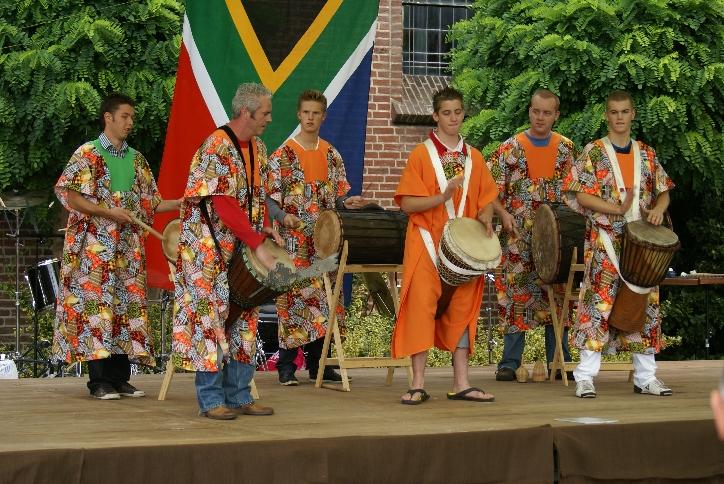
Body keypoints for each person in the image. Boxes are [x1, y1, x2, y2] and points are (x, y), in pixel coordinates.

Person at [54, 93, 180, 400]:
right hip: (94, 250)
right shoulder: (87, 154)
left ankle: (120, 378)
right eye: (125, 116)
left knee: (127, 308)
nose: (130, 122)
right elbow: (70, 196)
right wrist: (108, 212)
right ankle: (99, 381)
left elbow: (152, 202)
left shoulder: (137, 159)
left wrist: (183, 202)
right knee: (97, 310)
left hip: (127, 250)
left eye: (132, 117)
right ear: (108, 117)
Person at [172, 83, 282, 420]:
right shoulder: (216, 146)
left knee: (246, 319)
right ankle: (210, 400)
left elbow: (258, 196)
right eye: (265, 113)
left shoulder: (258, 147)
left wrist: (264, 227)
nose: (269, 119)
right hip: (206, 248)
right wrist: (255, 242)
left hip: (238, 245)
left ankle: (239, 396)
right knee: (211, 319)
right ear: (246, 112)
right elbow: (223, 203)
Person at [563, 90, 674, 398]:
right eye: (614, 112)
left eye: (625, 111)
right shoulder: (594, 152)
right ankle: (585, 377)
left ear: (633, 114)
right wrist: (616, 209)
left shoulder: (647, 153)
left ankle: (646, 377)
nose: (619, 117)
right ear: (606, 115)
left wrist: (658, 210)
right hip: (606, 242)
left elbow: (664, 192)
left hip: (643, 245)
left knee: (645, 307)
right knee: (596, 306)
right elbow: (580, 194)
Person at [392, 86, 498, 405]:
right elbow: (407, 204)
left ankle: (462, 383)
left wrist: (486, 218)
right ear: (435, 116)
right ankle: (417, 384)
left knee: (463, 309)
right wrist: (442, 197)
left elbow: (487, 199)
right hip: (426, 244)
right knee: (421, 307)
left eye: (458, 112)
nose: (453, 118)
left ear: (464, 114)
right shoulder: (421, 154)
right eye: (446, 113)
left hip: (463, 252)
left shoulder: (474, 157)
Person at [264, 89, 368, 386]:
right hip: (294, 242)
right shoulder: (282, 155)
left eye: (316, 113)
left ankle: (319, 364)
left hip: (325, 242)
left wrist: (347, 203)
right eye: (306, 112)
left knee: (326, 299)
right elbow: (269, 198)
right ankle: (286, 366)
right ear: (299, 115)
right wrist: (282, 217)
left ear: (324, 116)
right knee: (293, 300)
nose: (310, 118)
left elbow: (338, 198)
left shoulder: (332, 155)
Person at [487, 89, 577, 382]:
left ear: (556, 115)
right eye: (536, 111)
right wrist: (503, 214)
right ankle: (509, 362)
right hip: (517, 237)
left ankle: (559, 360)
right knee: (516, 295)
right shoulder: (509, 149)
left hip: (556, 240)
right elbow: (488, 191)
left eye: (547, 113)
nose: (540, 117)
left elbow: (578, 194)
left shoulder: (567, 150)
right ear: (529, 111)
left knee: (558, 295)